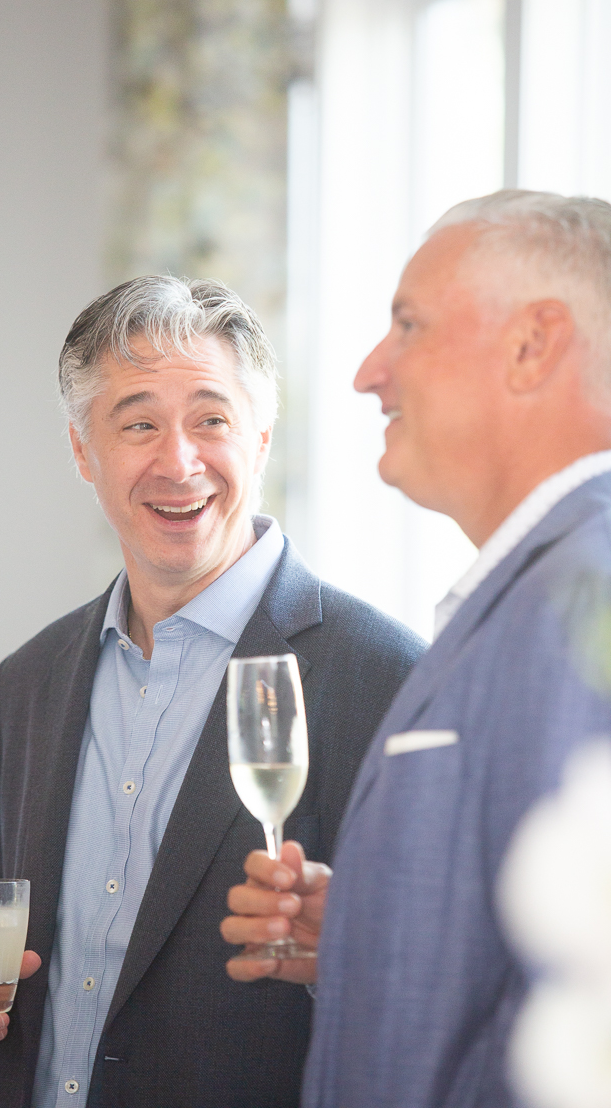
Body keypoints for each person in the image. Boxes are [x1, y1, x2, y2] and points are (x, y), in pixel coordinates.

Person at [0, 276, 423, 1108]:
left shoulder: (388, 677)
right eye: (138, 423)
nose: (178, 462)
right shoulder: (28, 683)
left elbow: (434, 1001)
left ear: (259, 438)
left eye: (211, 420)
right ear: (83, 451)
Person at [222, 191, 611, 1108]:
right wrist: (365, 928)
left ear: (533, 344)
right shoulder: (535, 589)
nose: (367, 372)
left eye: (408, 324)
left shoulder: (584, 595)